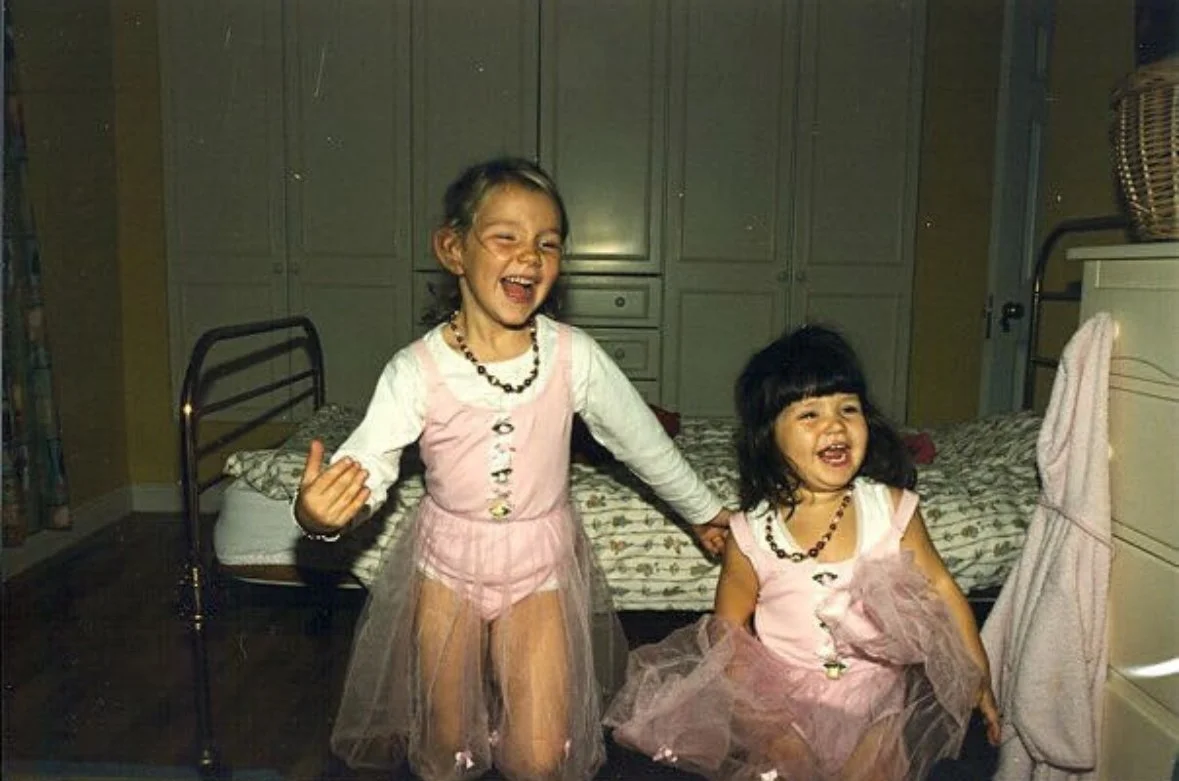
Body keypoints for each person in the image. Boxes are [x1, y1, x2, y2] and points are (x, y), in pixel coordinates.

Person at [293, 156, 732, 781]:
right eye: (506, 237)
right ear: (453, 249)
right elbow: (367, 463)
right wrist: (322, 513)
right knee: (447, 742)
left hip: (540, 566)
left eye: (547, 244)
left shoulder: (573, 356)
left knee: (538, 754)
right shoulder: (414, 369)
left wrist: (706, 511)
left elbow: (644, 444)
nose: (530, 256)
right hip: (446, 564)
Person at [605, 325, 1001, 781]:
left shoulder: (891, 508)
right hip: (780, 701)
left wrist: (978, 674)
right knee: (787, 764)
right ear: (769, 438)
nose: (834, 425)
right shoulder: (752, 533)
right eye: (809, 414)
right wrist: (768, 724)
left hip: (877, 699)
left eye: (847, 409)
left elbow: (943, 588)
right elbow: (728, 632)